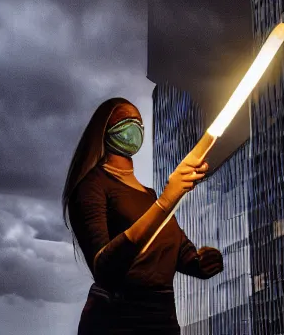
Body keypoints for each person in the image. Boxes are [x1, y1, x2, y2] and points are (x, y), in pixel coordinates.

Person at [62, 97, 223, 334]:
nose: (133, 127)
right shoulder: (91, 186)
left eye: (138, 122)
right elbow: (104, 268)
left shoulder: (150, 196)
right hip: (117, 321)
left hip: (162, 321)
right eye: (124, 120)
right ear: (104, 128)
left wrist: (203, 262)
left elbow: (181, 253)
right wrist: (167, 200)